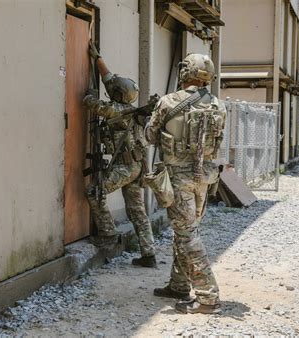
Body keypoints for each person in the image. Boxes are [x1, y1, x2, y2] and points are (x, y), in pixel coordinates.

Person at [145, 53, 226, 313]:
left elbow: (149, 135)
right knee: (185, 231)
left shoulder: (169, 102)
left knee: (188, 235)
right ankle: (179, 285)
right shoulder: (218, 105)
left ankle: (207, 297)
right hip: (204, 177)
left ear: (185, 72)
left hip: (178, 179)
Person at [83, 43, 156, 267]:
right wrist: (99, 60)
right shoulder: (130, 108)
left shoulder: (118, 111)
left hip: (126, 167)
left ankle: (108, 235)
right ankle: (149, 254)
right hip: (138, 167)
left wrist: (91, 94)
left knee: (95, 192)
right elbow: (112, 82)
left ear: (116, 95)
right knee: (137, 211)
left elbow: (90, 103)